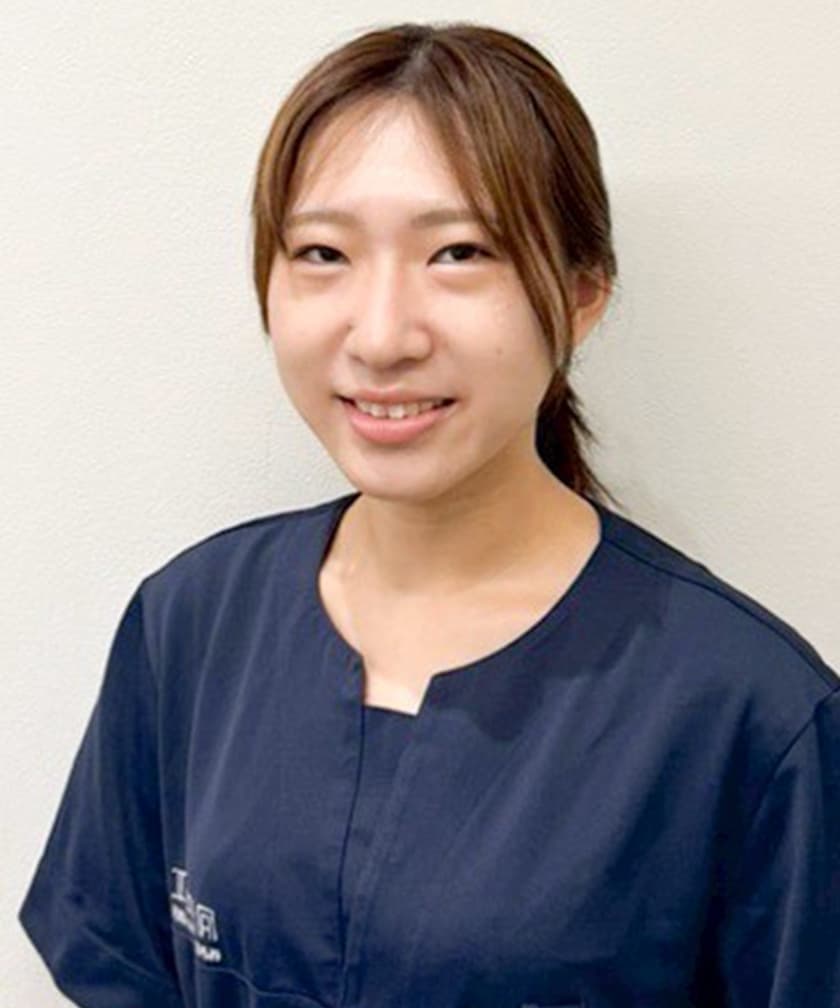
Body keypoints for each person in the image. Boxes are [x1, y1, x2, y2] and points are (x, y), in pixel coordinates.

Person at [18, 20, 840, 1008]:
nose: (381, 336)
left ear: (581, 295)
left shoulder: (749, 711)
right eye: (323, 252)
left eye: (458, 252)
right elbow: (119, 960)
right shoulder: (192, 624)